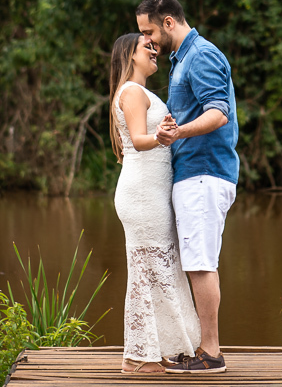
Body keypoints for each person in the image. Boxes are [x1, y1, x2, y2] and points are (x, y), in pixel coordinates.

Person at [136, 0, 239, 375]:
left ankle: (210, 354)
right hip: (193, 174)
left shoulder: (202, 55)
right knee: (196, 262)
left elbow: (218, 113)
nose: (147, 40)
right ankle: (202, 347)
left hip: (205, 173)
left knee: (200, 263)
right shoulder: (182, 60)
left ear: (168, 23)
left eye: (148, 31)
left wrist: (177, 134)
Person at [108, 32, 201, 374]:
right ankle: (139, 357)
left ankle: (155, 350)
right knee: (149, 272)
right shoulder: (132, 91)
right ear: (129, 55)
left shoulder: (143, 92)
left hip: (152, 192)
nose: (154, 52)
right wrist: (162, 136)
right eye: (146, 48)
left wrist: (165, 129)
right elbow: (137, 140)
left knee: (158, 270)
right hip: (142, 194)